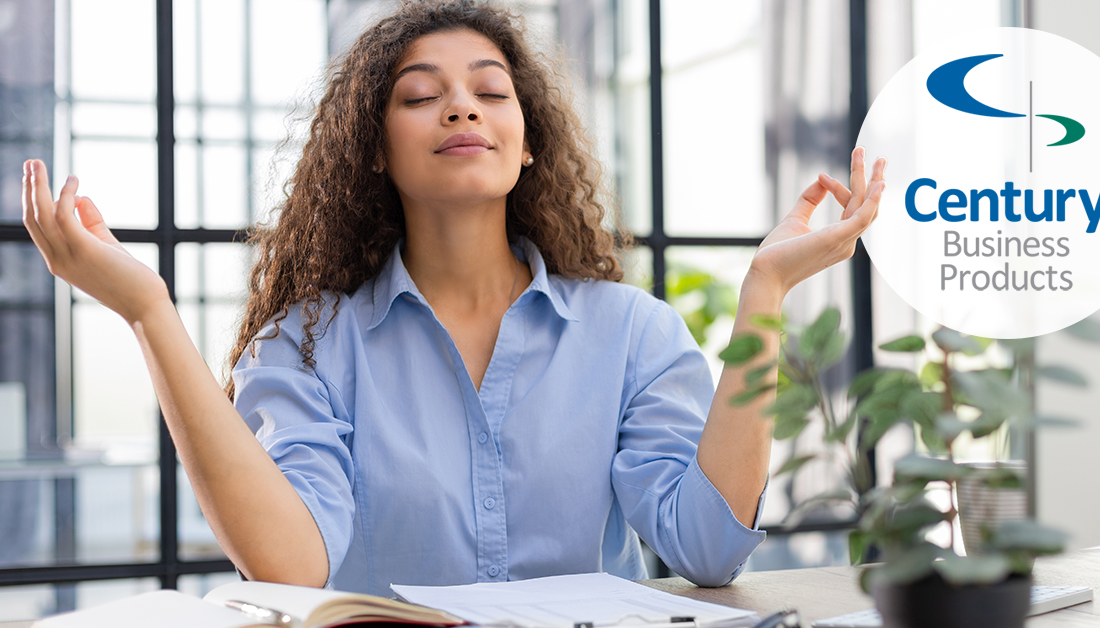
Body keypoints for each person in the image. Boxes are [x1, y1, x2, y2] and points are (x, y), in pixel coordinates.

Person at [20, 0, 884, 596]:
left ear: (527, 142)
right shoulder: (306, 345)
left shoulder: (633, 332)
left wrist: (765, 289)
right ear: (372, 151)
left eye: (490, 91)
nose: (462, 109)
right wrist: (148, 311)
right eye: (422, 96)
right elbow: (290, 564)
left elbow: (706, 546)